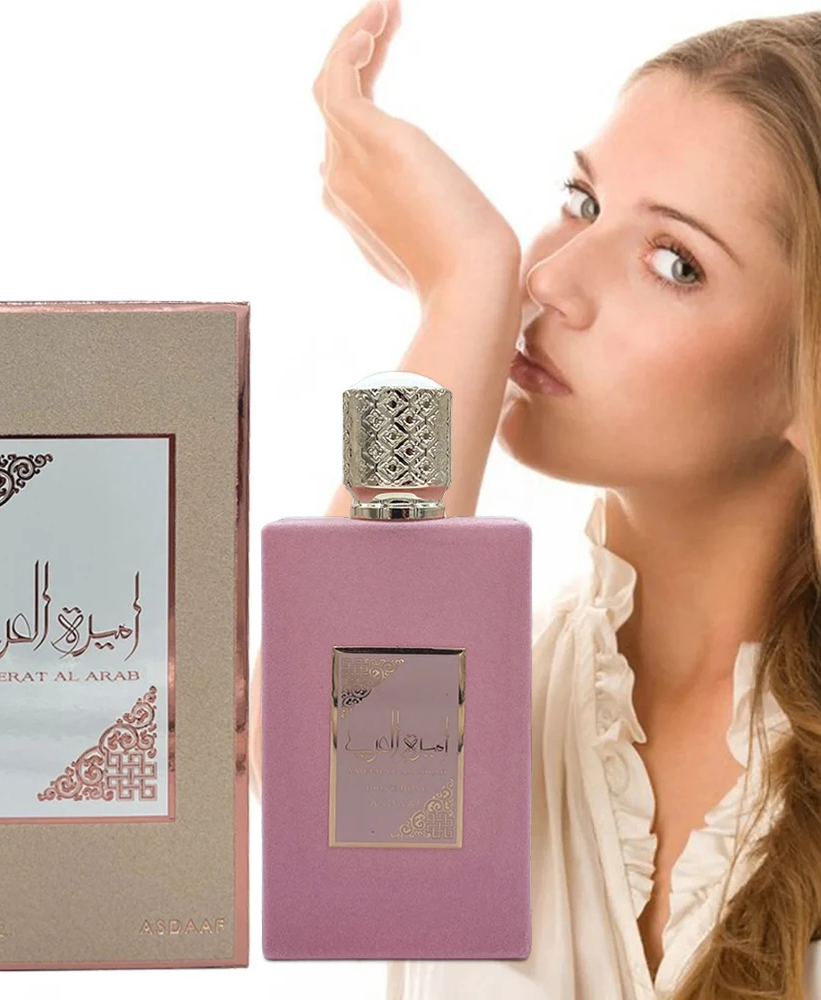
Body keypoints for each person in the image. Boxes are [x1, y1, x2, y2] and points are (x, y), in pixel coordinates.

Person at [249, 2, 821, 997]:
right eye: (583, 202)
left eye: (674, 262)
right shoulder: (486, 706)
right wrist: (463, 291)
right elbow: (312, 801)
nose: (551, 278)